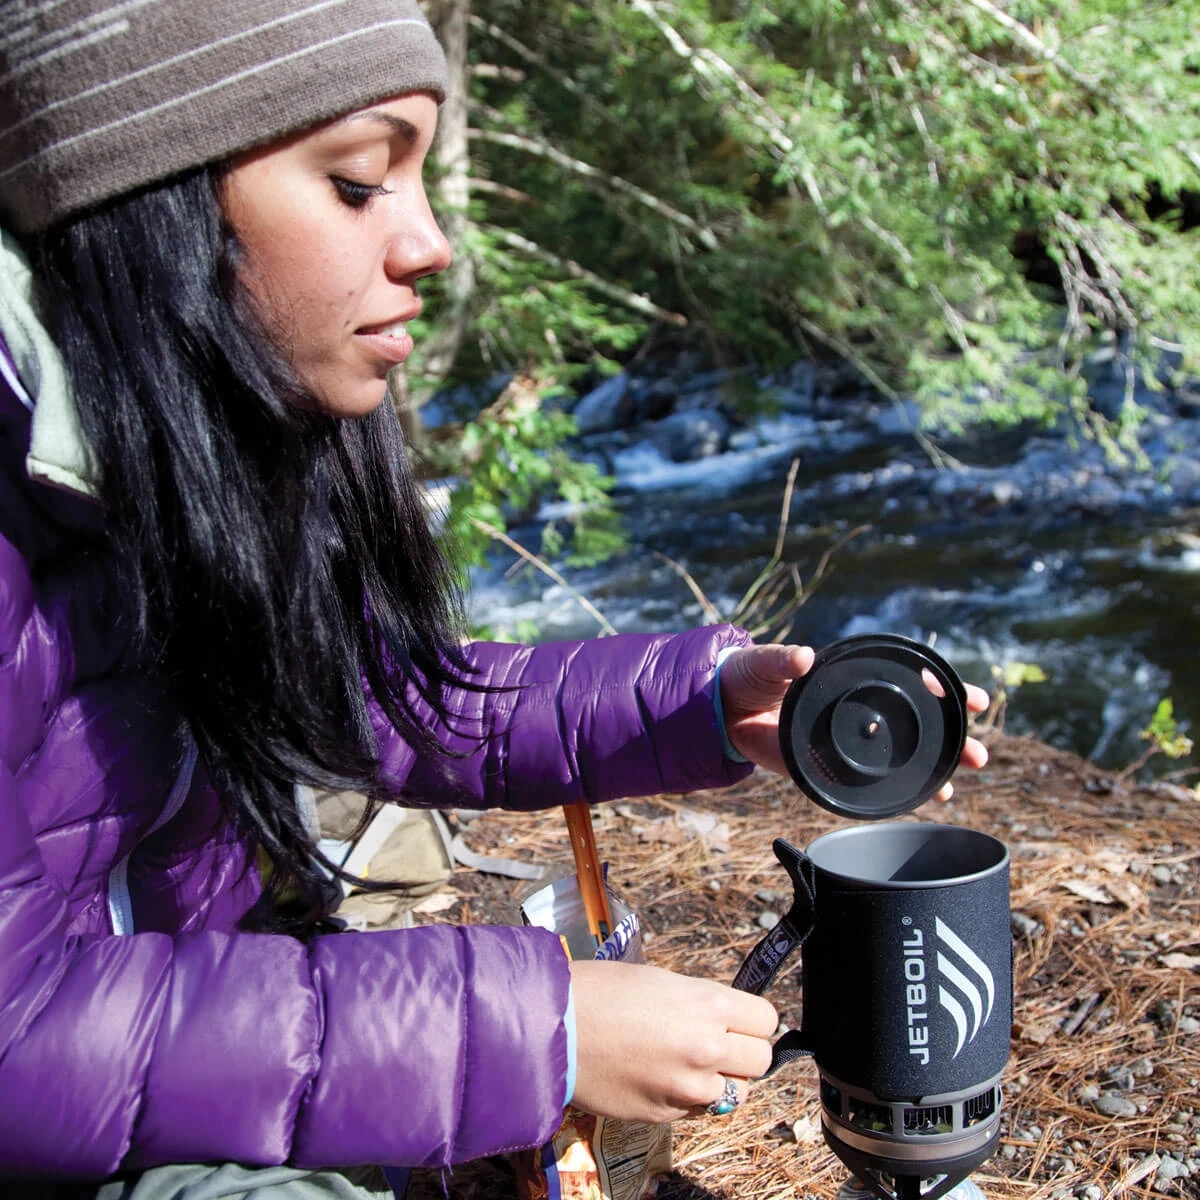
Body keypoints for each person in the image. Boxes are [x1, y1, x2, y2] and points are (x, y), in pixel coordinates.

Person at [0, 2, 989, 1195]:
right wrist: (542, 1028)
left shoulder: (181, 440)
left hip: (164, 1054)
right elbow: (21, 1042)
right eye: (361, 181)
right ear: (144, 202)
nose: (428, 244)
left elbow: (374, 700)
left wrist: (706, 704)